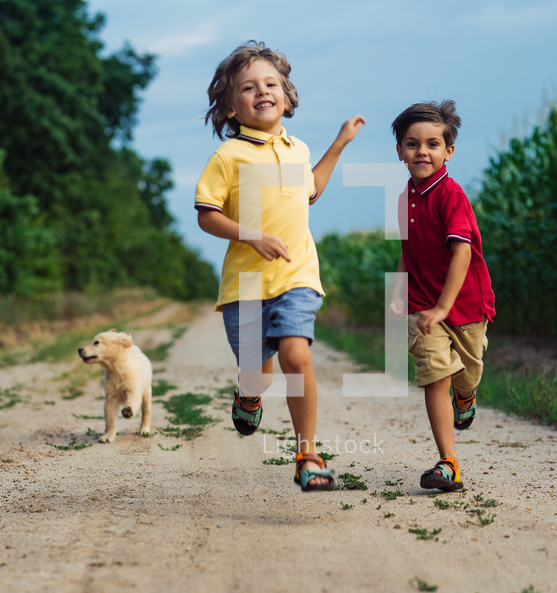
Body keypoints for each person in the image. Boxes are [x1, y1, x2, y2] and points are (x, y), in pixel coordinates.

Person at [195, 41, 365, 491]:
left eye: (271, 84)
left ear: (287, 98)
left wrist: (341, 142)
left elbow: (311, 189)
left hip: (297, 276)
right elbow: (207, 214)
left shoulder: (297, 149)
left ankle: (307, 454)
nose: (262, 91)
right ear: (231, 107)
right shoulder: (227, 158)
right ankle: (248, 396)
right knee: (258, 373)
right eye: (248, 87)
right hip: (245, 284)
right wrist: (252, 235)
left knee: (296, 354)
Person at [388, 100, 495, 492]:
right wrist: (401, 292)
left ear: (448, 151)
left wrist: (445, 306)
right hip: (422, 305)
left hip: (465, 307)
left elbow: (462, 251)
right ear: (399, 151)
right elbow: (407, 250)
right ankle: (448, 462)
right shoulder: (403, 200)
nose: (422, 151)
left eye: (433, 144)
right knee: (435, 377)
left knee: (467, 375)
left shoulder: (451, 195)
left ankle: (465, 398)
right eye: (412, 144)